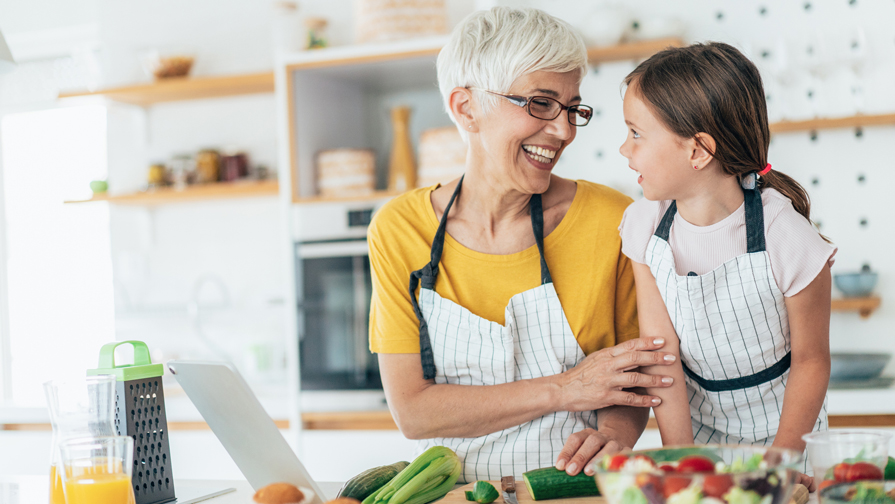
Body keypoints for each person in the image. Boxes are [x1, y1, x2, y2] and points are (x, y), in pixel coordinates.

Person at [367, 7, 676, 483]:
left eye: (572, 108)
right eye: (539, 103)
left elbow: (629, 376)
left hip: (571, 488)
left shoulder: (615, 219)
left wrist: (614, 434)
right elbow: (414, 412)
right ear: (466, 107)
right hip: (451, 493)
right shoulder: (398, 228)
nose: (564, 130)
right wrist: (567, 388)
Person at [618, 42, 834, 488]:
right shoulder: (643, 226)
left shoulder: (786, 236)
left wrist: (781, 466)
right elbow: (663, 357)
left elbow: (811, 362)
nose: (624, 149)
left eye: (636, 134)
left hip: (789, 437)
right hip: (698, 435)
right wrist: (683, 462)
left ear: (698, 152)